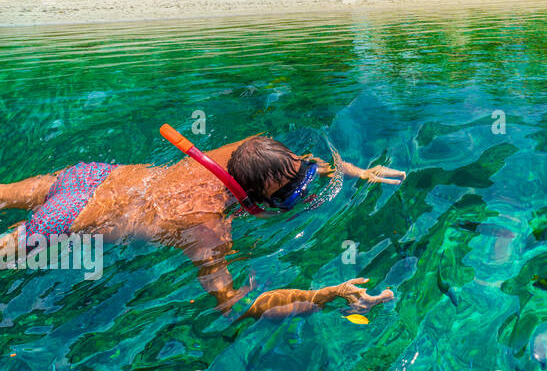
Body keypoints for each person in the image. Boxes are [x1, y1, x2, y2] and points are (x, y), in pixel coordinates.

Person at [0, 135, 406, 320]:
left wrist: (356, 173)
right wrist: (328, 294)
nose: (299, 198)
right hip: (71, 221)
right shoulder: (207, 226)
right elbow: (234, 305)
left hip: (93, 176)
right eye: (287, 199)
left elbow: (302, 163)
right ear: (251, 197)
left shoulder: (248, 152)